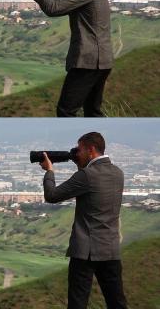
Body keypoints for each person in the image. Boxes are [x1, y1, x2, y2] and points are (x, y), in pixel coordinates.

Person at [19, 0, 113, 117]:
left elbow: (54, 9)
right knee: (92, 111)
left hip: (88, 61)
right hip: (100, 59)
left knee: (65, 111)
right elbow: (61, 5)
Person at [38, 132, 127, 309]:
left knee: (78, 302)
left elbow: (52, 195)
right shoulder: (118, 173)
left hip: (85, 251)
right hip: (110, 249)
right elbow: (93, 190)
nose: (76, 153)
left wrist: (49, 171)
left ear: (91, 149)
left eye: (79, 150)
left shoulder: (87, 175)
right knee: (116, 301)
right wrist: (80, 165)